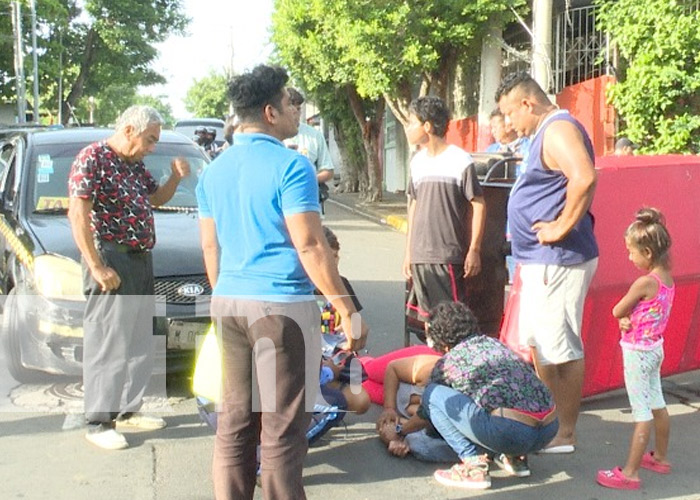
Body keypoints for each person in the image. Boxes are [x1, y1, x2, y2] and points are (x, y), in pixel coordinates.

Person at [195, 64, 368, 500]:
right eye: (292, 101)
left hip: (229, 303)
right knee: (282, 429)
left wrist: (226, 295)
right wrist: (346, 308)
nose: (297, 109)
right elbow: (310, 245)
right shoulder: (293, 166)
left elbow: (211, 249)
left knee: (234, 423)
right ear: (270, 112)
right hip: (282, 309)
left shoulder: (212, 171)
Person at [67, 105, 191, 450]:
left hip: (140, 259)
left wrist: (175, 177)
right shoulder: (92, 158)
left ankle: (129, 410)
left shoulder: (133, 164)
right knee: (109, 341)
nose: (152, 147)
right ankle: (99, 421)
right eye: (149, 140)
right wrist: (96, 266)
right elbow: (77, 212)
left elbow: (155, 199)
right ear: (128, 131)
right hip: (111, 260)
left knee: (139, 339)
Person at [496, 72, 599, 454]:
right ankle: (549, 419)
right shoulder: (545, 131)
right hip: (543, 260)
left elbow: (585, 177)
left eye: (510, 113)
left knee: (561, 346)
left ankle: (565, 432)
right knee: (541, 342)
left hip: (559, 258)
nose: (508, 123)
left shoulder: (557, 129)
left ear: (528, 103)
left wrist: (560, 226)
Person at [378, 302, 558, 490]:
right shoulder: (494, 344)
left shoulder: (448, 362)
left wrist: (400, 432)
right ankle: (514, 458)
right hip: (548, 429)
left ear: (443, 343)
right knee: (496, 400)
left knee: (432, 394)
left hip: (511, 430)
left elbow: (427, 413)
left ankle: (473, 466)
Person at [597, 208, 674, 490]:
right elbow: (649, 312)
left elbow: (618, 309)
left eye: (631, 252)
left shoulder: (644, 282)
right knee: (657, 403)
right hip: (655, 348)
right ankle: (661, 457)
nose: (630, 257)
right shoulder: (667, 279)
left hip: (637, 353)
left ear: (648, 253)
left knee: (641, 412)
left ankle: (629, 472)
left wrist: (623, 318)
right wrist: (633, 318)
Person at [403, 96, 486, 329]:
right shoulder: (416, 162)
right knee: (428, 321)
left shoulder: (460, 160)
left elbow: (478, 204)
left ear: (427, 126)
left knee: (453, 322)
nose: (407, 128)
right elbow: (414, 204)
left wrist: (474, 250)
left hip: (447, 255)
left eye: (411, 122)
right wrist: (408, 252)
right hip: (421, 255)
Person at [285, 87, 335, 204]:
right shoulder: (274, 136)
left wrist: (308, 179)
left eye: (298, 109)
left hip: (310, 201)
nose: (295, 114)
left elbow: (328, 171)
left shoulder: (314, 135)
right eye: (291, 109)